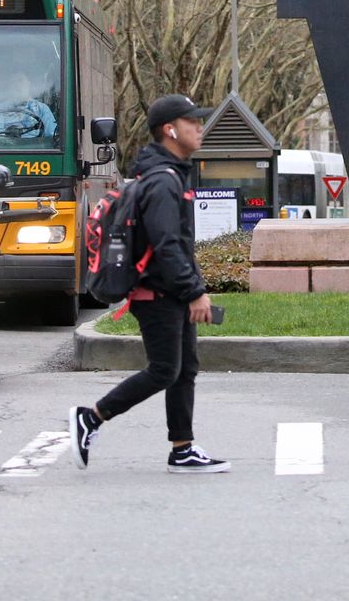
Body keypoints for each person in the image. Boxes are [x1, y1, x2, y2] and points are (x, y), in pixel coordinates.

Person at [69, 94, 226, 474]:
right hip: (156, 294)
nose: (200, 129)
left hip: (167, 291)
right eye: (193, 122)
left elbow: (177, 245)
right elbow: (166, 244)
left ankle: (183, 448)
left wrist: (190, 289)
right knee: (164, 370)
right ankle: (91, 417)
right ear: (170, 130)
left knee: (185, 368)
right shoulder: (162, 181)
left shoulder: (169, 175)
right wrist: (194, 292)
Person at [0, 74, 58, 143]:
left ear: (28, 83)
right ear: (9, 86)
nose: (17, 85)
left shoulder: (42, 109)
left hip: (36, 150)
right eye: (13, 82)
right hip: (8, 150)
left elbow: (51, 137)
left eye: (20, 80)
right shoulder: (2, 108)